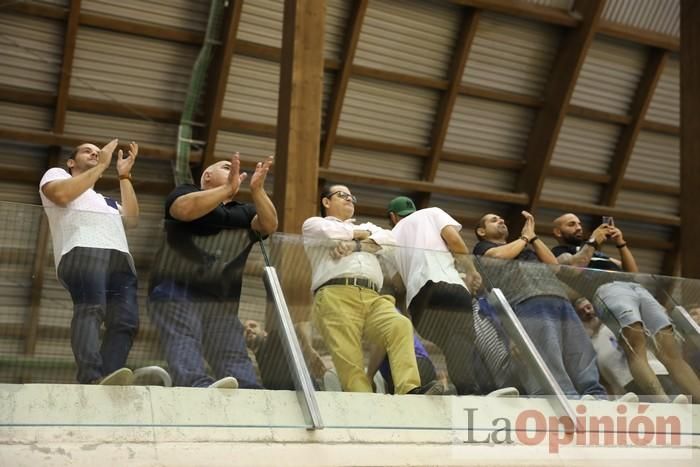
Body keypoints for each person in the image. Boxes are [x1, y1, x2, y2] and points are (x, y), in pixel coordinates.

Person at [148, 152, 277, 389]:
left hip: (221, 301)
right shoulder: (185, 192)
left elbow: (269, 224)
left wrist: (257, 190)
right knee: (184, 342)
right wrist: (227, 189)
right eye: (227, 168)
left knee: (233, 354)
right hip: (176, 290)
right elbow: (182, 210)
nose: (234, 172)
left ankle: (249, 396)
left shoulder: (245, 211)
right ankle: (196, 388)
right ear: (207, 176)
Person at [302, 184, 440, 395]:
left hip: (373, 296)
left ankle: (409, 389)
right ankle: (363, 401)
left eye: (351, 196)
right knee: (349, 358)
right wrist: (365, 235)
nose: (349, 199)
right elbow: (330, 234)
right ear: (326, 202)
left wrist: (356, 245)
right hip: (334, 295)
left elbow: (391, 241)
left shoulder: (369, 226)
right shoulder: (313, 224)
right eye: (342, 195)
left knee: (399, 324)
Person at [552, 213, 700, 402]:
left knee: (670, 348)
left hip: (636, 289)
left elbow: (633, 273)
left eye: (579, 223)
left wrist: (621, 243)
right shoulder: (560, 252)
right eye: (571, 224)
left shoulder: (598, 254)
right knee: (635, 343)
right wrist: (593, 241)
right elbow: (575, 268)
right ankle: (663, 401)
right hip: (607, 290)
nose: (578, 227)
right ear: (558, 231)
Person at [387, 196, 518, 396]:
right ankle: (470, 392)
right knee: (463, 338)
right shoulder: (431, 213)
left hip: (417, 303)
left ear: (393, 217)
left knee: (452, 345)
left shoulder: (391, 237)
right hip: (445, 284)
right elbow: (455, 241)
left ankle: (462, 389)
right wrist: (471, 270)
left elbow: (396, 282)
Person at [39, 139, 142, 385]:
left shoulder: (105, 201)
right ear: (71, 162)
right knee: (92, 308)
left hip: (119, 257)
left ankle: (108, 376)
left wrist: (124, 176)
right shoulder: (57, 174)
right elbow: (61, 195)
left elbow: (132, 220)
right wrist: (103, 164)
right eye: (88, 151)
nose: (95, 154)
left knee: (126, 321)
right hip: (82, 248)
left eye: (98, 152)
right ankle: (90, 376)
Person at [472, 211, 606, 399]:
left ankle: (595, 395)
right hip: (527, 302)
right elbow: (497, 256)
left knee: (581, 350)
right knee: (548, 354)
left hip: (558, 298)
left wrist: (533, 237)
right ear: (481, 231)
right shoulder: (482, 248)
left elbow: (555, 266)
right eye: (493, 220)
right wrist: (525, 237)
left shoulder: (525, 245)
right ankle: (568, 399)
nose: (501, 220)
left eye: (501, 218)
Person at [573, 297, 680, 403]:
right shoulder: (591, 345)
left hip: (655, 372)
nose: (587, 312)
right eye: (582, 312)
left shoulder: (615, 322)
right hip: (628, 388)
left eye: (588, 307)